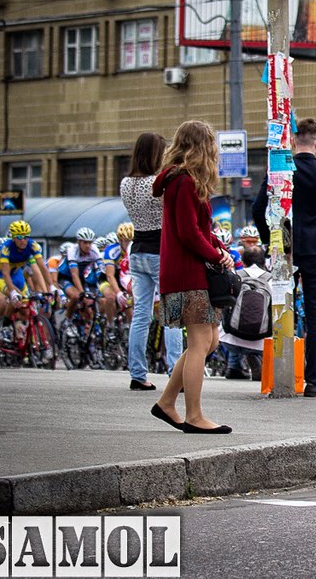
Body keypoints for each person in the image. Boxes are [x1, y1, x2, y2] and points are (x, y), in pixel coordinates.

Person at [252, 117, 316, 398]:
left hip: (286, 250)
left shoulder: (281, 172)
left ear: (293, 141)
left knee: (281, 309)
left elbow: (258, 208)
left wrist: (269, 239)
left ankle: (280, 373)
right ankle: (313, 382)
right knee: (314, 315)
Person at [151, 120, 235, 434]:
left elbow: (198, 231)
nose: (215, 152)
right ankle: (194, 415)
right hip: (188, 273)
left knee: (210, 341)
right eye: (212, 145)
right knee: (201, 342)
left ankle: (167, 402)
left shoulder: (183, 180)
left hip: (188, 270)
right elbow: (188, 233)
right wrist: (215, 254)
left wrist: (217, 246)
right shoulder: (183, 181)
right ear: (202, 147)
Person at [121, 132, 184, 391]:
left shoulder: (125, 183)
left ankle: (137, 373)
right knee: (171, 315)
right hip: (161, 251)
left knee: (141, 315)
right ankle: (175, 372)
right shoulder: (160, 182)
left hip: (137, 251)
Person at [220, 245, 268, 380]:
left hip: (230, 342)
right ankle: (257, 357)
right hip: (262, 343)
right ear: (264, 262)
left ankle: (234, 366)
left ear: (243, 262)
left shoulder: (234, 276)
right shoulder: (271, 279)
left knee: (231, 314)